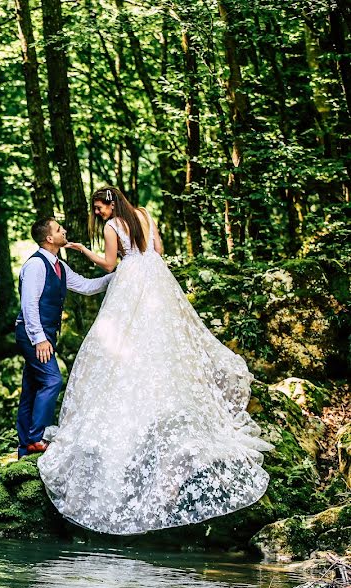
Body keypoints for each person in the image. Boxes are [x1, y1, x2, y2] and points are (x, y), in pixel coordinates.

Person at [37, 186, 272, 535]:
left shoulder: (111, 227)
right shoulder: (145, 214)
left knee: (121, 339)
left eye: (99, 208)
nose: (98, 213)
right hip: (158, 277)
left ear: (110, 203)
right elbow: (158, 250)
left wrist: (84, 250)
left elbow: (110, 264)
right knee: (162, 336)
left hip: (130, 280)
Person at [15, 217, 113, 459]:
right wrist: (39, 338)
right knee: (52, 381)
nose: (64, 230)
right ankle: (37, 439)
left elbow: (87, 286)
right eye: (59, 229)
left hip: (46, 333)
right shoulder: (36, 265)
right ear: (49, 238)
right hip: (32, 333)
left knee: (32, 387)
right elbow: (29, 305)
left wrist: (120, 275)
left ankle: (24, 447)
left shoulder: (58, 265)